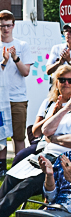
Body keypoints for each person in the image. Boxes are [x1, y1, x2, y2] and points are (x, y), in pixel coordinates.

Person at [0, 79, 71, 217]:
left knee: (21, 189)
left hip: (58, 165)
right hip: (41, 157)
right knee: (10, 179)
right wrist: (66, 108)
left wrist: (54, 138)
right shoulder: (67, 114)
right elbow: (45, 130)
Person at [0, 10, 33, 171]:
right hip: (1, 98)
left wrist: (15, 58)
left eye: (8, 26)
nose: (5, 29)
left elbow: (25, 72)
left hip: (17, 97)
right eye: (2, 26)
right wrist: (4, 62)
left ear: (13, 26)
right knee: (0, 136)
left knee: (18, 136)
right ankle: (2, 168)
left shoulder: (21, 46)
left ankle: (19, 168)